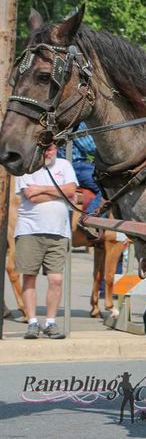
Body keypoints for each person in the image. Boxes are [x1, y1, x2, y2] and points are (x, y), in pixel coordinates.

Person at [14, 143, 77, 339]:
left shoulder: (65, 165)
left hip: (59, 232)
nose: (48, 153)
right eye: (44, 149)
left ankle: (51, 322)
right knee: (29, 277)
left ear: (56, 148)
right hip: (30, 230)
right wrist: (61, 194)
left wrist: (41, 189)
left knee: (56, 279)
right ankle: (32, 322)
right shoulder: (26, 167)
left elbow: (72, 191)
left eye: (51, 148)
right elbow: (30, 196)